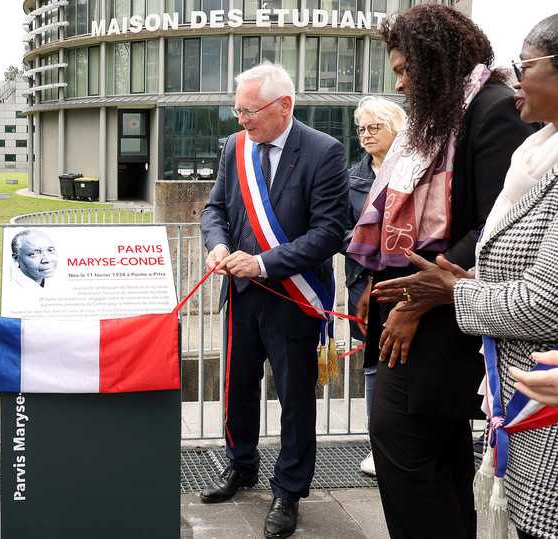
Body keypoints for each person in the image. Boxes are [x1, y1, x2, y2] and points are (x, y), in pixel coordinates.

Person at [345, 5, 539, 538]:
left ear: (436, 62)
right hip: (425, 311)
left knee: (401, 442)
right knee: (436, 453)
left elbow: (495, 227)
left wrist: (414, 303)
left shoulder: (493, 110)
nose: (402, 85)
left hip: (444, 315)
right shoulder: (441, 120)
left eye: (407, 71)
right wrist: (374, 285)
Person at [200, 62, 348, 539]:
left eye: (249, 111)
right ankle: (240, 465)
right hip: (241, 296)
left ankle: (289, 490)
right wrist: (217, 245)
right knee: (237, 389)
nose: (241, 120)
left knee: (295, 399)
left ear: (284, 105)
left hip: (293, 297)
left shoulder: (324, 152)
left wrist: (263, 263)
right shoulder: (234, 147)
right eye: (237, 110)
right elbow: (215, 209)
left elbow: (328, 232)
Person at [344, 96, 406, 477]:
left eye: (373, 127)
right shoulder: (351, 178)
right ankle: (376, 447)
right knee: (372, 364)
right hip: (362, 286)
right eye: (361, 129)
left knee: (405, 361)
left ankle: (405, 443)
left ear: (394, 128)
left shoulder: (412, 171)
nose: (365, 135)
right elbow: (336, 229)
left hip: (405, 279)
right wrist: (370, 239)